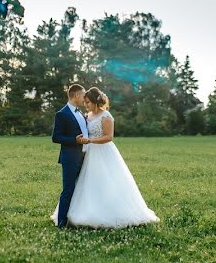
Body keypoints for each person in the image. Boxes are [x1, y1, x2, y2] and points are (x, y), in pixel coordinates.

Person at [51, 87, 160, 228]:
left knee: (105, 182)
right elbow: (60, 136)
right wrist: (79, 141)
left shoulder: (105, 115)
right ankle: (65, 219)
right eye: (84, 100)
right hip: (85, 155)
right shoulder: (82, 115)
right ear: (77, 96)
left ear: (95, 102)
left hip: (101, 152)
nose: (86, 104)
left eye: (88, 102)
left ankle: (107, 212)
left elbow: (109, 136)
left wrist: (90, 141)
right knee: (80, 185)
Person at [50, 84, 89, 228]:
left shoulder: (80, 113)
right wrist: (75, 140)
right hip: (71, 158)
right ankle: (61, 223)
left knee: (81, 188)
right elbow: (56, 137)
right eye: (83, 95)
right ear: (76, 95)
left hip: (85, 157)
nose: (85, 99)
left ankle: (77, 218)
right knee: (68, 189)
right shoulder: (62, 114)